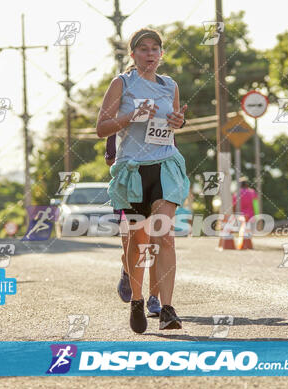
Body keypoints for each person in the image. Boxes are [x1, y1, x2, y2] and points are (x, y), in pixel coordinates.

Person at [97, 28, 189, 333]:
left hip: (165, 165)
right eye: (143, 49)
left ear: (161, 55)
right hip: (132, 171)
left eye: (155, 49)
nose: (150, 54)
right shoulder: (121, 83)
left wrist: (178, 121)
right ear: (133, 54)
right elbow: (102, 128)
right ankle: (137, 300)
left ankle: (167, 308)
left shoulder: (170, 85)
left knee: (164, 235)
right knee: (138, 241)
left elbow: (172, 123)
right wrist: (131, 116)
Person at [106, 133, 161, 317]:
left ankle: (154, 297)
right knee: (134, 243)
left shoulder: (162, 116)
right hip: (128, 189)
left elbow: (172, 151)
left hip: (157, 185)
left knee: (155, 244)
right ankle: (128, 270)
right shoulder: (121, 120)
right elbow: (110, 159)